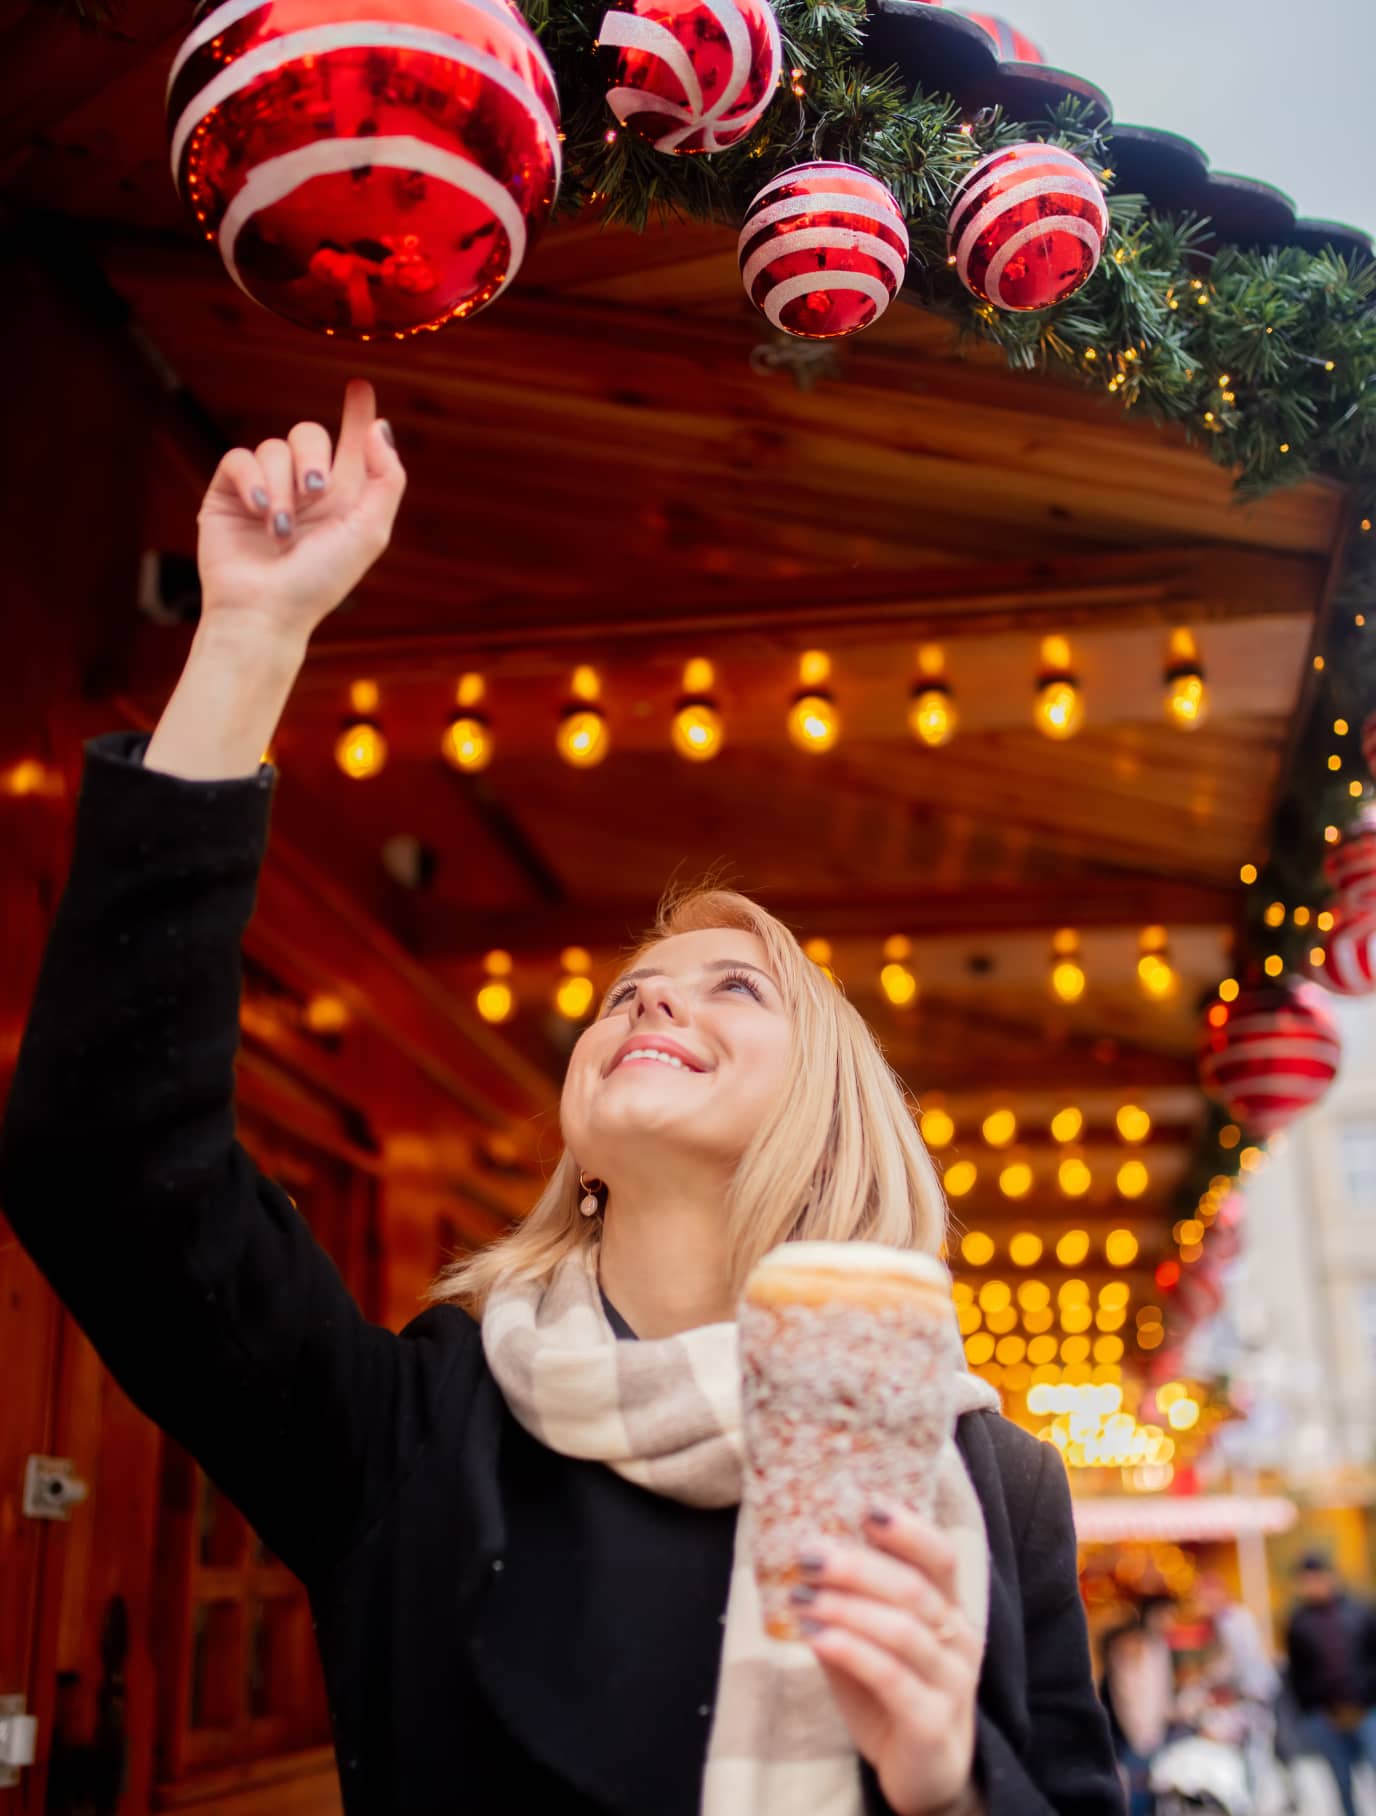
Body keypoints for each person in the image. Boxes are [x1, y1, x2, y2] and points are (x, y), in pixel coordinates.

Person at [0, 380, 1125, 1816]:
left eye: (734, 989)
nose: (651, 999)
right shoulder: (420, 1427)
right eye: (629, 994)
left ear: (831, 1119)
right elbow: (103, 1161)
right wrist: (253, 633)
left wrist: (942, 1778)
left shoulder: (980, 1481)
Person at [1285, 1552, 1376, 1816]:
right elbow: (1297, 1672)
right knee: (1341, 1780)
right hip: (1325, 1715)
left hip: (1365, 1708)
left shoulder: (1360, 1612)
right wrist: (1310, 1711)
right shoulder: (1299, 1622)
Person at [1100, 1599, 1176, 1815]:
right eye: (1165, 1615)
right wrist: (1142, 1735)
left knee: (1152, 1790)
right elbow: (1128, 1698)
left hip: (1152, 1734)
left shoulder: (1158, 1646)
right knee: (1138, 1792)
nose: (1169, 1621)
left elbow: (1159, 1693)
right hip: (1137, 1737)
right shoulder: (1132, 1646)